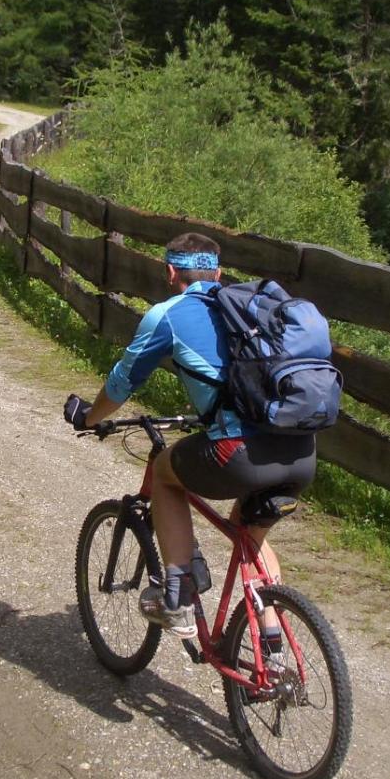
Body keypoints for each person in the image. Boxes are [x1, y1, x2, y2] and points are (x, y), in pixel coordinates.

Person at [63, 232, 317, 647]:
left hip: (240, 453)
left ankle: (177, 599)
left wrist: (90, 417)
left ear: (169, 272)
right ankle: (271, 647)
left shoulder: (169, 314)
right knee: (249, 535)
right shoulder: (250, 311)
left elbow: (123, 381)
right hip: (301, 451)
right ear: (218, 273)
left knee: (165, 473)